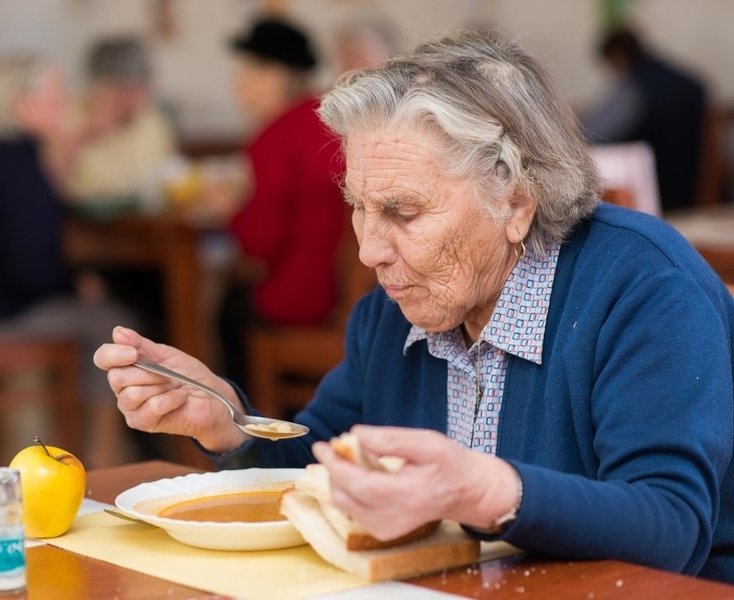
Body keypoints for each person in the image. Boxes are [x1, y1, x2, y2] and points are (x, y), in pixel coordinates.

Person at [94, 30, 734, 583]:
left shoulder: (644, 289)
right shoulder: (394, 310)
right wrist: (228, 422)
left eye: (402, 212)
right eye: (358, 207)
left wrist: (482, 489)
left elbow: (671, 525)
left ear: (514, 202)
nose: (370, 250)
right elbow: (320, 459)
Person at [0, 54, 143, 468]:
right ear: (20, 103)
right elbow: (34, 270)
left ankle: (76, 452)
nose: (66, 103)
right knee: (112, 325)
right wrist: (76, 284)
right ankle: (108, 461)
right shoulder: (19, 163)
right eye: (56, 95)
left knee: (89, 310)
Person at [214, 17, 346, 386]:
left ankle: (250, 425)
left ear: (275, 76)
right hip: (350, 292)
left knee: (229, 311)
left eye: (246, 72)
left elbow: (261, 242)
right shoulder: (331, 118)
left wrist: (231, 213)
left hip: (302, 295)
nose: (236, 83)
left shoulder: (273, 135)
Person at [582, 26, 708, 212]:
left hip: (653, 190)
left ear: (617, 56)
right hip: (691, 181)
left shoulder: (634, 89)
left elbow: (593, 134)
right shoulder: (688, 83)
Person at [56, 35, 178, 210]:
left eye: (141, 88)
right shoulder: (66, 117)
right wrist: (84, 134)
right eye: (122, 90)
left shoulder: (154, 122)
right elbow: (47, 184)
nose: (133, 100)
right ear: (95, 87)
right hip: (86, 229)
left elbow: (169, 178)